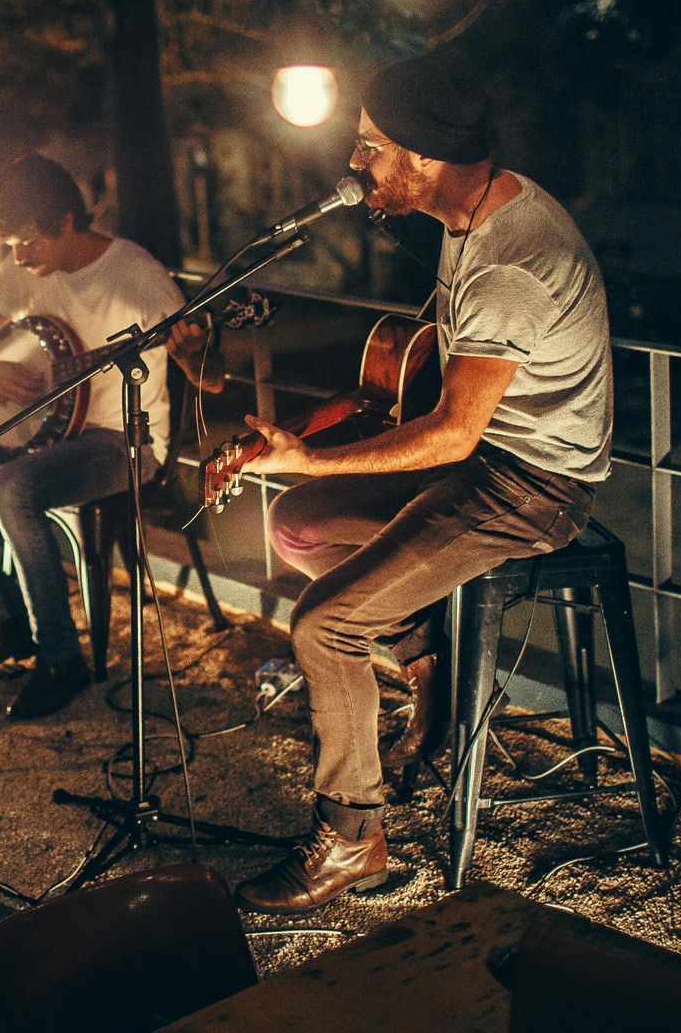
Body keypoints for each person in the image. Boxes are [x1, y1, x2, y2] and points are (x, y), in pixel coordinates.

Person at [232, 51, 613, 913]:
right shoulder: (466, 211)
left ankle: (350, 840)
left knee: (325, 624)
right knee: (302, 521)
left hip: (532, 484)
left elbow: (453, 432)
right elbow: (454, 363)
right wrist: (338, 437)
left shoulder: (511, 261)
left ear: (425, 157)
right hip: (487, 458)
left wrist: (312, 451)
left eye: (370, 145)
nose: (355, 161)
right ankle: (425, 656)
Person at [0, 154, 216, 720]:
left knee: (10, 486)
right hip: (38, 426)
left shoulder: (135, 276)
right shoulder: (20, 269)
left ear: (68, 223)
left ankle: (59, 658)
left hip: (121, 441)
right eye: (10, 243)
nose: (18, 256)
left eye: (29, 242)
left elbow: (209, 378)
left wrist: (192, 356)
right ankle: (1, 619)